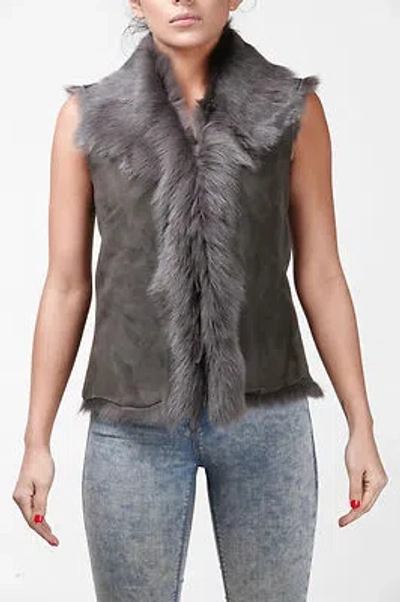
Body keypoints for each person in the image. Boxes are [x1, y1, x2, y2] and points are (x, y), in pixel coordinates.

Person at [12, 1, 388, 600]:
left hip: (267, 420)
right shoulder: (87, 118)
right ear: (136, 1)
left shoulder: (291, 111)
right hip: (131, 423)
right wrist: (36, 442)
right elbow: (64, 285)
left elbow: (321, 274)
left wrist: (360, 425)